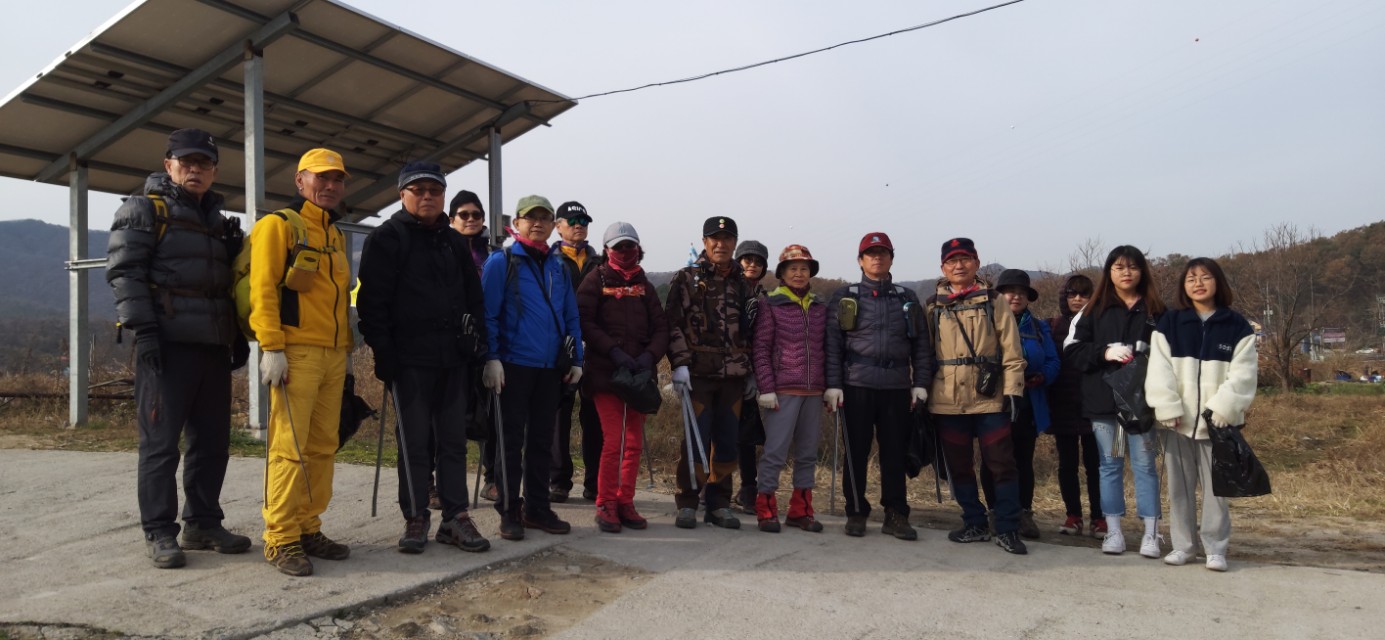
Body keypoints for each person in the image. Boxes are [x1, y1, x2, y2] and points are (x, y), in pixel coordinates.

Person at [106, 128, 251, 569]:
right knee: (161, 445)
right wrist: (145, 331)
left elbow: (225, 285)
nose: (195, 169)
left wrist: (236, 335)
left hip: (212, 347)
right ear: (168, 165)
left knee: (212, 443)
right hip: (166, 346)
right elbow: (125, 273)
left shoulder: (217, 222)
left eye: (204, 163)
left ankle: (203, 523)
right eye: (186, 162)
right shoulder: (143, 209)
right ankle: (159, 531)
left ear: (214, 171)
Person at [357, 162, 490, 554]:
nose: (428, 196)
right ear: (402, 195)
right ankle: (416, 516)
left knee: (452, 441)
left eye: (435, 190)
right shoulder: (386, 238)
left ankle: (455, 518)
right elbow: (372, 304)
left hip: (453, 358)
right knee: (414, 442)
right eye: (419, 190)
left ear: (443, 195)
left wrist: (477, 345)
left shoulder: (454, 241)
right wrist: (383, 354)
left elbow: (474, 298)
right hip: (409, 360)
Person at [249, 148, 355, 576]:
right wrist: (271, 347)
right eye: (321, 177)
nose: (330, 186)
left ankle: (309, 526)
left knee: (323, 446)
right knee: (289, 448)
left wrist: (345, 349)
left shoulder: (335, 234)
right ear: (300, 181)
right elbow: (262, 288)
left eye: (337, 179)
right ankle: (280, 537)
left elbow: (338, 300)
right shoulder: (278, 225)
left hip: (332, 354)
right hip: (295, 354)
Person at [480, 195, 583, 541]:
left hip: (550, 368)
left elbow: (571, 314)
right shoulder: (502, 262)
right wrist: (491, 358)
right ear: (517, 223)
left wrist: (577, 359)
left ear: (553, 224)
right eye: (530, 217)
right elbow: (488, 314)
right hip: (513, 365)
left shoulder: (559, 267)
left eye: (544, 218)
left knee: (541, 441)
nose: (537, 223)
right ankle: (510, 511)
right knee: (509, 443)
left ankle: (538, 508)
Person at [1146, 257, 1257, 572]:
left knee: (1216, 491)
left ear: (1217, 282)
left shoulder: (1237, 325)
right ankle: (1183, 546)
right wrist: (1167, 407)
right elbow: (1159, 369)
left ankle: (1215, 548)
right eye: (1191, 278)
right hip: (1177, 422)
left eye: (1205, 277)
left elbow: (1244, 374)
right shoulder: (1170, 323)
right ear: (1184, 286)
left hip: (1217, 425)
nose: (1198, 283)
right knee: (1179, 489)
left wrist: (1224, 408)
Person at [824, 232, 934, 540]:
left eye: (882, 253)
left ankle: (896, 513)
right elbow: (833, 345)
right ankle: (856, 511)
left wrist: (920, 383)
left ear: (891, 259)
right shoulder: (846, 296)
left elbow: (921, 345)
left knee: (894, 453)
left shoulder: (906, 297)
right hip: (856, 383)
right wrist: (833, 384)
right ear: (860, 260)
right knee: (856, 452)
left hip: (897, 386)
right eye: (870, 253)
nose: (877, 258)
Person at [924, 238, 1028, 555]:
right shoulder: (933, 305)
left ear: (976, 263)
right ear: (943, 267)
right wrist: (919, 392)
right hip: (947, 399)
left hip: (990, 397)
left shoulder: (993, 301)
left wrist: (1013, 390)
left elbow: (1012, 349)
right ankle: (974, 522)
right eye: (952, 261)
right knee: (959, 467)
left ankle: (1008, 528)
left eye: (965, 259)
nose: (959, 266)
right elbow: (924, 353)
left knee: (1002, 464)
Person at [1063, 245, 1166, 558]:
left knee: (1146, 466)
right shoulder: (1093, 310)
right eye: (1119, 267)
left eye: (1133, 267)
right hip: (1104, 402)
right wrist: (1104, 352)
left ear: (1142, 271)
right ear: (1109, 272)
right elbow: (1072, 350)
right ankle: (1114, 532)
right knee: (1110, 466)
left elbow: (1171, 354)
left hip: (1142, 403)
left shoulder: (1156, 310)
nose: (1126, 273)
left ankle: (1151, 534)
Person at [577, 222, 669, 533]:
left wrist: (649, 357)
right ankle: (605, 501)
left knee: (633, 443)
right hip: (606, 375)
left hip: (639, 377)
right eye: (619, 246)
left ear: (638, 248)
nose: (625, 251)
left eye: (630, 245)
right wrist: (613, 351)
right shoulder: (596, 279)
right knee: (614, 441)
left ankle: (625, 500)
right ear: (607, 250)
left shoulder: (645, 285)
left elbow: (661, 327)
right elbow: (584, 321)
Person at [666, 216, 755, 530]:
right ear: (705, 242)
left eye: (727, 238)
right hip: (698, 374)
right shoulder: (688, 278)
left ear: (734, 243)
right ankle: (688, 502)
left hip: (734, 376)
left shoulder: (743, 283)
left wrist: (752, 370)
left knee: (728, 443)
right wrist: (679, 364)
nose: (721, 244)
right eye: (715, 238)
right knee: (696, 441)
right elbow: (672, 323)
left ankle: (719, 504)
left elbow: (753, 329)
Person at [752, 245, 828, 533]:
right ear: (782, 273)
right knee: (775, 451)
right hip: (783, 390)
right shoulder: (770, 304)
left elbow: (827, 348)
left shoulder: (820, 307)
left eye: (804, 268)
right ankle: (765, 506)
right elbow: (761, 349)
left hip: (814, 390)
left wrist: (830, 385)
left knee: (808, 453)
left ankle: (800, 509)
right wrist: (766, 387)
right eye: (792, 268)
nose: (799, 273)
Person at [981, 269, 1058, 540]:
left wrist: (1043, 376)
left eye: (1022, 292)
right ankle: (995, 512)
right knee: (993, 459)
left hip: (1027, 402)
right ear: (999, 296)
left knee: (1023, 460)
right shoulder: (985, 322)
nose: (1016, 296)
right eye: (1010, 291)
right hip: (994, 401)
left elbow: (1053, 360)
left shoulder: (1037, 327)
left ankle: (1023, 513)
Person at [449, 190, 502, 504]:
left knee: (491, 416)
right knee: (446, 417)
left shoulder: (495, 255)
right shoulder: (443, 249)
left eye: (476, 215)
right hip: (451, 345)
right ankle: (436, 483)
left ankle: (493, 478)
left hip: (485, 344)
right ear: (452, 219)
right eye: (464, 214)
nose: (471, 219)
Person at [550, 201, 604, 504]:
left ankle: (595, 481)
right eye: (572, 221)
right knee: (559, 416)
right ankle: (558, 480)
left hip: (595, 348)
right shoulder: (549, 260)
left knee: (594, 415)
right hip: (560, 348)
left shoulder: (600, 262)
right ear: (558, 226)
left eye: (583, 220)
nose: (579, 225)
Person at [1047, 274, 1105, 538]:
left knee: (1097, 464)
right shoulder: (1054, 326)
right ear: (1065, 297)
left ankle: (1099, 518)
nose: (1078, 299)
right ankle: (1073, 516)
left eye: (1084, 294)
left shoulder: (1100, 325)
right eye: (1072, 294)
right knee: (1067, 464)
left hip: (1095, 405)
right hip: (1063, 404)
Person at [733, 239, 771, 514]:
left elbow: (764, 341)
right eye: (747, 259)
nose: (752, 265)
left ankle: (748, 488)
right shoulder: (727, 290)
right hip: (723, 368)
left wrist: (756, 374)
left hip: (749, 369)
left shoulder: (764, 298)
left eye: (758, 262)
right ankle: (710, 485)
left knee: (746, 436)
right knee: (716, 432)